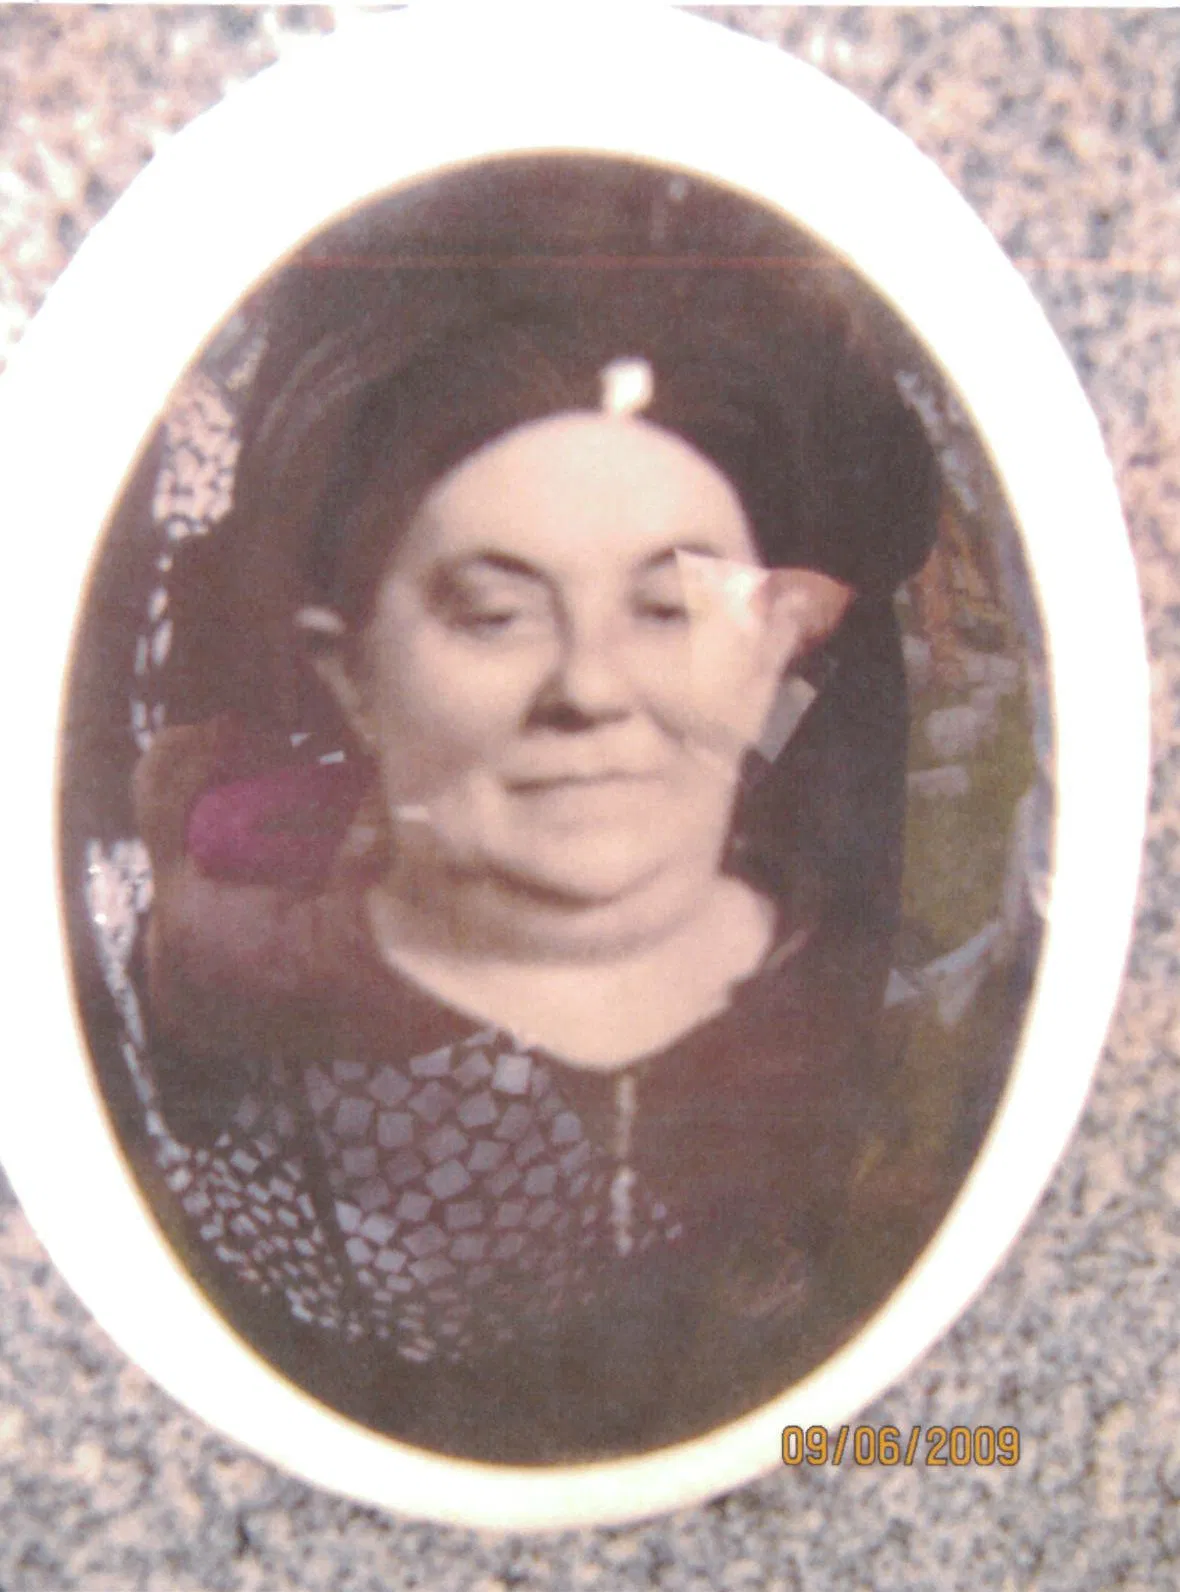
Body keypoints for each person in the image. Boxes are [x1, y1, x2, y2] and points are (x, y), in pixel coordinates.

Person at [125, 166, 941, 1462]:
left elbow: (874, 509)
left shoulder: (751, 289)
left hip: (621, 1210)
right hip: (311, 1263)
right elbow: (135, 788)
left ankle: (730, 1248)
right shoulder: (228, 401)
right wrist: (177, 980)